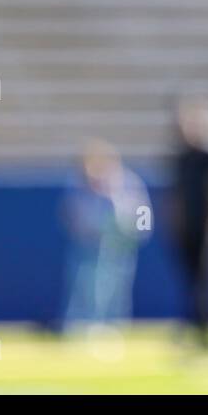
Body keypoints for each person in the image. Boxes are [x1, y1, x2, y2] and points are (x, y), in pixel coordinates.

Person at [60, 138, 151, 332]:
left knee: (118, 288)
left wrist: (115, 199)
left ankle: (113, 326)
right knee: (85, 285)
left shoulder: (129, 182)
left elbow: (143, 221)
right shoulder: (79, 183)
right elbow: (71, 216)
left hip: (121, 246)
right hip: (88, 247)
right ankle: (81, 325)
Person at [167, 95, 208, 347]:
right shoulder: (180, 158)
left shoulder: (205, 157)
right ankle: (194, 324)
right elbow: (175, 195)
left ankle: (205, 329)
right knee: (190, 279)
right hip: (185, 228)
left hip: (203, 228)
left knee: (203, 279)